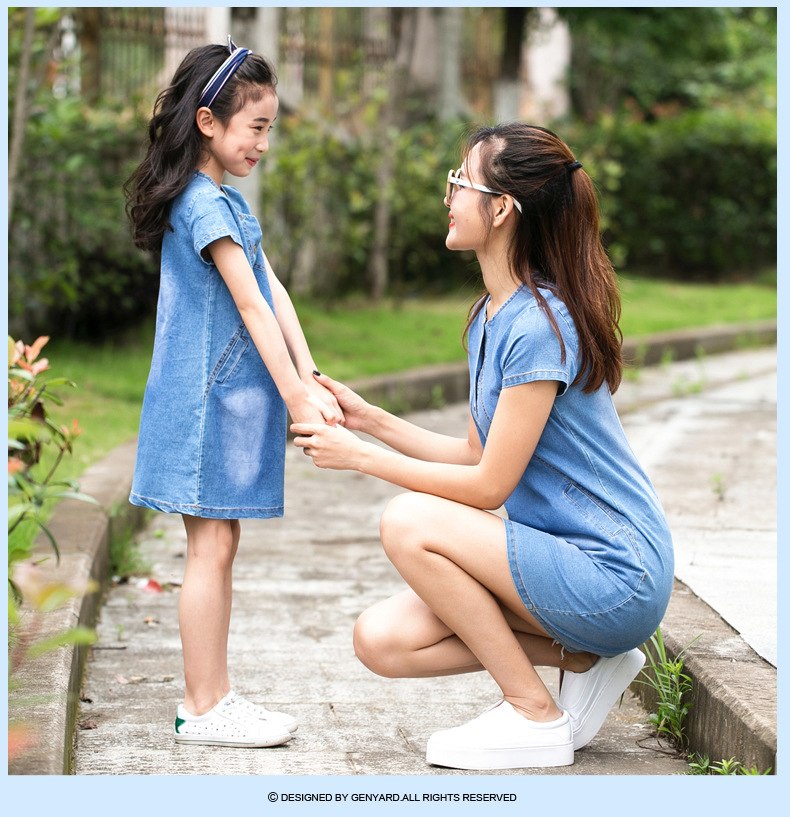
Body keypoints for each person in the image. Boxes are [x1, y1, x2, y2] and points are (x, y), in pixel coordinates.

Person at [291, 123, 674, 770]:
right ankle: (583, 655)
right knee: (381, 640)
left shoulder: (539, 324)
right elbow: (475, 454)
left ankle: (533, 712)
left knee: (408, 520)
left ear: (501, 209)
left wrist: (361, 461)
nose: (448, 195)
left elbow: (488, 487)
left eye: (459, 182)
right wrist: (371, 421)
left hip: (615, 572)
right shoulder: (492, 318)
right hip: (564, 564)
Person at [124, 38, 343, 749]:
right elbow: (249, 305)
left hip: (223, 403)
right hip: (200, 405)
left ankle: (214, 696)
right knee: (210, 547)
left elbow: (274, 290)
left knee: (221, 541)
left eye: (270, 128)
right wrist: (299, 399)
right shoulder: (200, 202)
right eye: (256, 127)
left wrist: (307, 378)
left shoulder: (226, 201)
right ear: (209, 122)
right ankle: (202, 704)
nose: (264, 143)